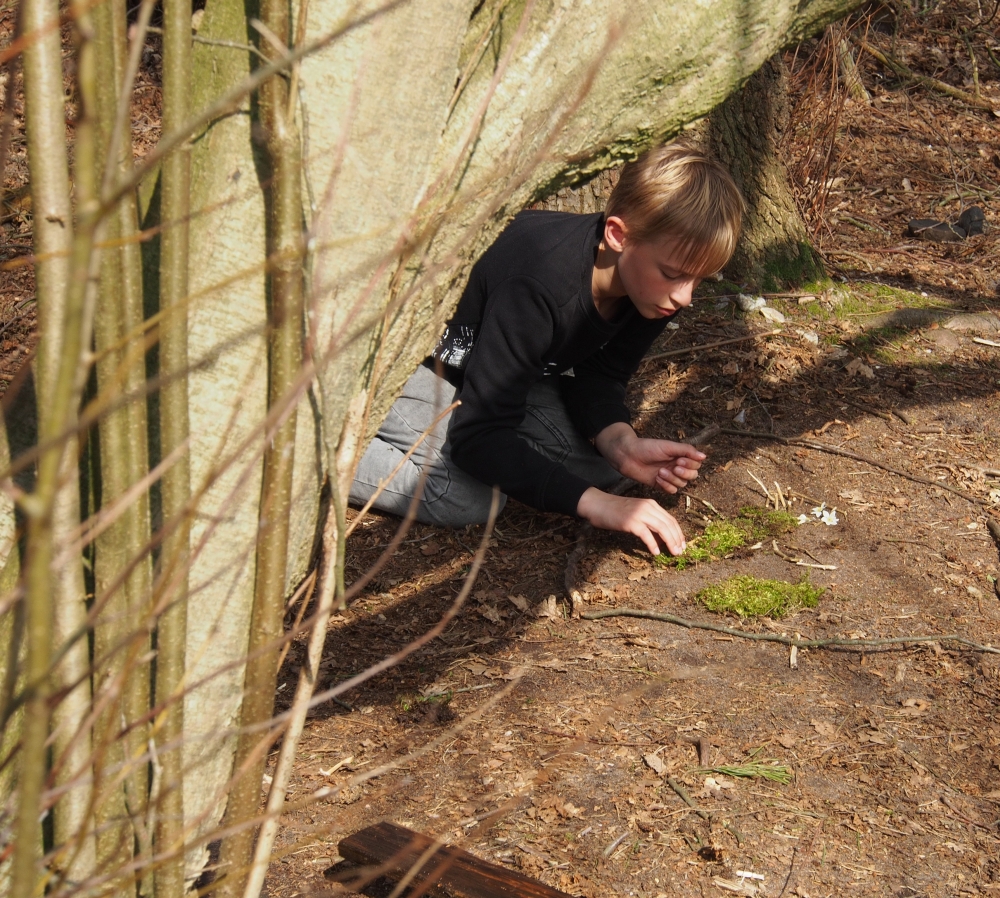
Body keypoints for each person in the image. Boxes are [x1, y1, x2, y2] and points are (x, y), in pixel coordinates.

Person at [349, 142, 744, 557]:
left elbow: (601, 373)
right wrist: (599, 506)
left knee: (599, 464)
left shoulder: (650, 286)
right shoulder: (539, 282)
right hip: (390, 359)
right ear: (617, 235)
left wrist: (621, 444)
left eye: (699, 280)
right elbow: (478, 435)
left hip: (477, 366)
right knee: (470, 497)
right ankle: (302, 458)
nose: (685, 297)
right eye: (674, 275)